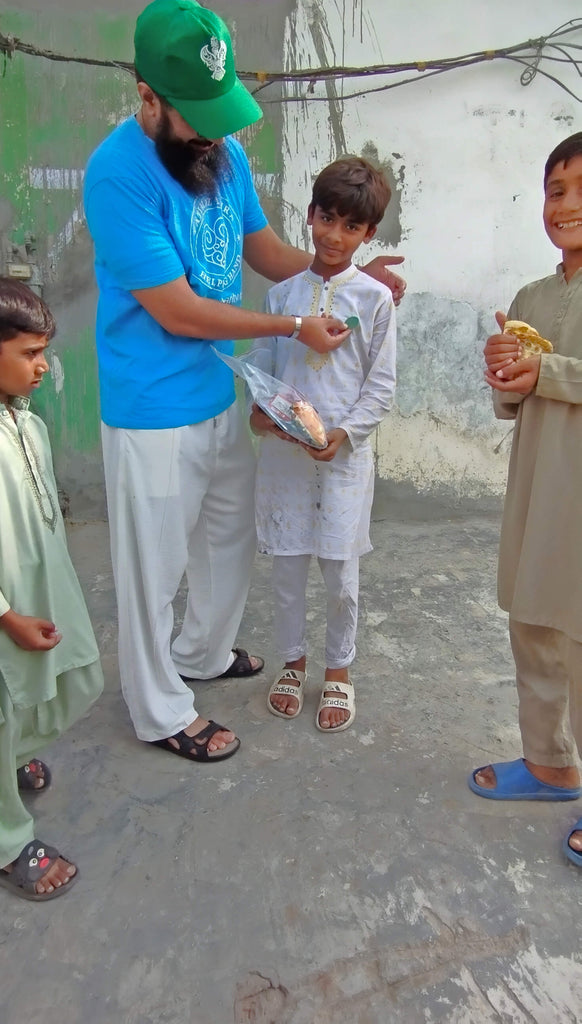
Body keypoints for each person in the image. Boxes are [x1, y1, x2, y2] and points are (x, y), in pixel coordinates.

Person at [83, 0, 405, 763]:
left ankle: (200, 653)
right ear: (147, 96)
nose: (208, 130)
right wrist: (294, 326)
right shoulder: (117, 175)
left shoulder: (217, 154)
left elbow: (263, 250)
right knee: (153, 566)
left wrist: (344, 278)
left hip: (218, 389)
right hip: (150, 405)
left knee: (228, 539)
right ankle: (160, 707)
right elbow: (179, 311)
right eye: (191, 114)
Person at [249, 157, 396, 731]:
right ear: (309, 215)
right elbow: (263, 369)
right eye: (326, 218)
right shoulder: (281, 297)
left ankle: (338, 670)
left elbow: (380, 386)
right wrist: (259, 416)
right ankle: (293, 661)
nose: (335, 236)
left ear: (368, 234)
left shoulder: (374, 300)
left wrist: (344, 433)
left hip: (343, 461)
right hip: (284, 460)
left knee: (341, 576)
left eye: (351, 227)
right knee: (286, 574)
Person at [469, 131, 582, 867]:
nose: (565, 205)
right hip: (540, 484)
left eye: (580, 190)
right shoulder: (533, 297)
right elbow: (520, 398)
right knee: (534, 622)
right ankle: (548, 763)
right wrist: (508, 377)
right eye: (555, 190)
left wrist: (545, 370)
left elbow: (553, 374)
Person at [0, 279, 104, 901]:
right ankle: (8, 840)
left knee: (69, 678)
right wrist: (7, 614)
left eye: (45, 352)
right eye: (29, 354)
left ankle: (12, 761)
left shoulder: (27, 424)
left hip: (36, 592)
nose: (43, 367)